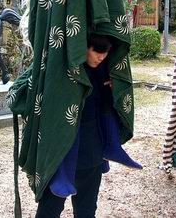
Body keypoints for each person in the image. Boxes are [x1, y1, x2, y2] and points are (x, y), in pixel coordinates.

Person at [36, 34, 141, 218]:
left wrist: (111, 90)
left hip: (92, 150)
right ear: (83, 47)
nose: (102, 57)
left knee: (86, 209)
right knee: (50, 208)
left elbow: (106, 109)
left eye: (106, 52)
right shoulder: (62, 68)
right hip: (62, 150)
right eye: (98, 51)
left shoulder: (104, 70)